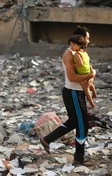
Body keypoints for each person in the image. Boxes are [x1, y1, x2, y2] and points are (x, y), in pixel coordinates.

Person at [40, 26, 96, 166]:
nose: (88, 41)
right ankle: (79, 159)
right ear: (80, 38)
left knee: (73, 122)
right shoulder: (69, 54)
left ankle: (47, 139)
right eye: (87, 38)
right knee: (82, 125)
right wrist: (92, 74)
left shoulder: (79, 51)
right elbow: (72, 77)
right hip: (73, 93)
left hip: (77, 92)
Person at [70, 32, 97, 109]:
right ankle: (95, 94)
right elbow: (88, 61)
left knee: (86, 90)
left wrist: (74, 65)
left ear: (79, 45)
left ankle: (92, 103)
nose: (71, 46)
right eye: (71, 44)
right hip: (88, 71)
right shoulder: (84, 52)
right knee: (91, 84)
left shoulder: (76, 54)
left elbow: (80, 63)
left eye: (73, 45)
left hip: (82, 74)